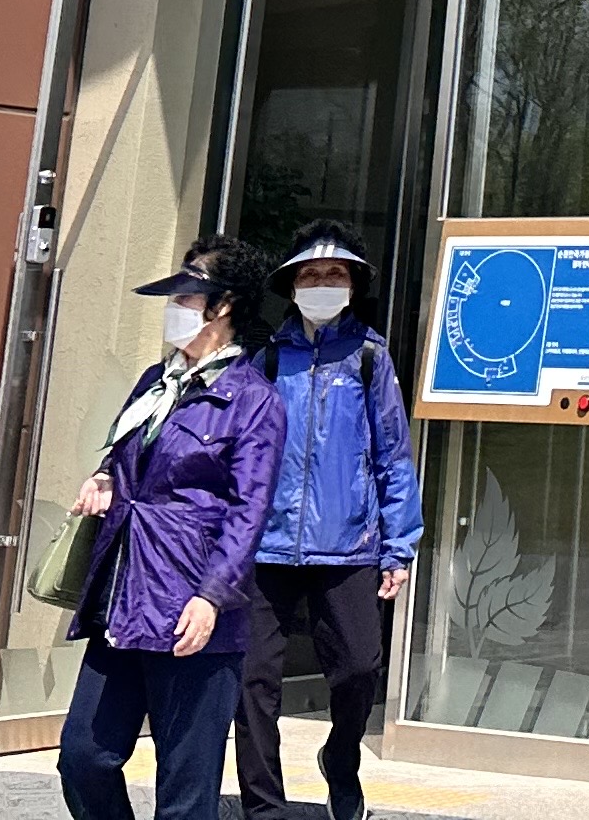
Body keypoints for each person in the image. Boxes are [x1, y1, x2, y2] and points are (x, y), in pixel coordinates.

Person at [61, 241, 288, 820]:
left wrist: (211, 597)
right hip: (123, 596)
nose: (174, 308)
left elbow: (249, 512)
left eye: (186, 296)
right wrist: (104, 477)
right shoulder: (153, 383)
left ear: (223, 305)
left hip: (190, 604)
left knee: (186, 794)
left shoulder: (253, 400)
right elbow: (128, 454)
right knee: (83, 758)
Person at [235, 223, 419, 820]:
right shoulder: (267, 358)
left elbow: (393, 457)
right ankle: (264, 806)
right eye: (310, 275)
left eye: (334, 274)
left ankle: (341, 759)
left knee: (360, 667)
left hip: (349, 545)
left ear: (352, 284)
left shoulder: (369, 357)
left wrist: (399, 546)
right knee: (252, 681)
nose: (321, 283)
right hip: (266, 546)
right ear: (292, 286)